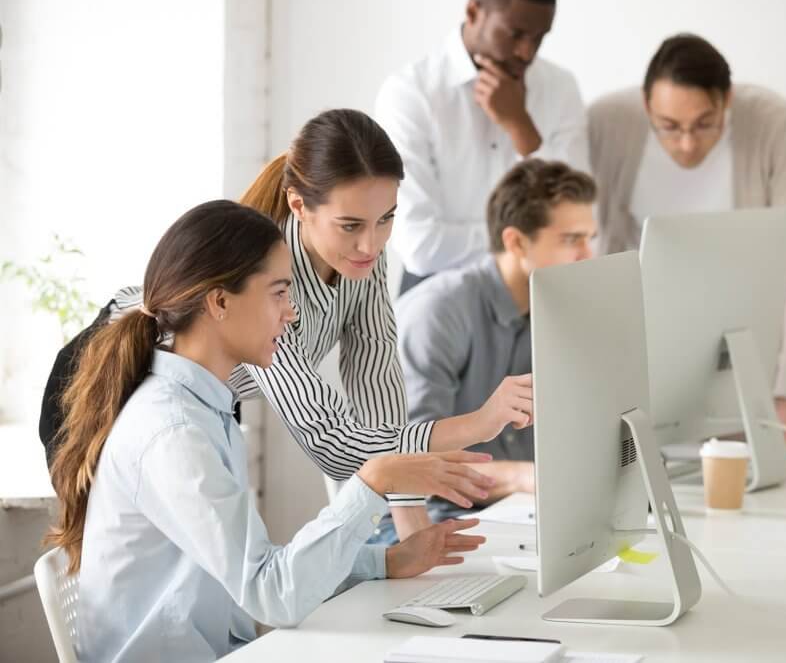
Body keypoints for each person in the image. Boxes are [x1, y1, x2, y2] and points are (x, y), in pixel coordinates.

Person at [40, 109, 533, 540]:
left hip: (203, 407)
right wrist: (476, 423)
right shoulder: (270, 282)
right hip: (99, 390)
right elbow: (336, 446)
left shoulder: (362, 258)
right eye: (351, 225)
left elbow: (375, 383)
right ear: (299, 205)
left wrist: (411, 527)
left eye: (386, 219)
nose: (372, 243)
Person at [45, 200, 492, 662]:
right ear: (219, 302)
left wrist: (387, 561)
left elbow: (256, 569)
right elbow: (271, 593)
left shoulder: (208, 410)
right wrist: (374, 481)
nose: (291, 313)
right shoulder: (174, 432)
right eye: (278, 293)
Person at [587, 33, 786, 457]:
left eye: (705, 124)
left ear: (728, 101)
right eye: (669, 127)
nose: (687, 143)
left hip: (738, 357)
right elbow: (579, 245)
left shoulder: (776, 123)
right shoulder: (606, 123)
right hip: (634, 360)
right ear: (646, 106)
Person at [370, 160, 596, 543]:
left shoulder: (560, 307)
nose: (587, 255)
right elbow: (411, 467)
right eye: (571, 239)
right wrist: (525, 477)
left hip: (512, 516)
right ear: (516, 242)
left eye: (590, 237)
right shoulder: (439, 313)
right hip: (418, 524)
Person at [375, 0, 589, 294]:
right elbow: (419, 244)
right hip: (439, 297)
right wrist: (529, 242)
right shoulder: (410, 95)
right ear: (474, 10)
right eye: (516, 34)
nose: (527, 52)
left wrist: (522, 130)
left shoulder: (560, 88)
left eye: (540, 38)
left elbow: (576, 218)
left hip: (539, 296)